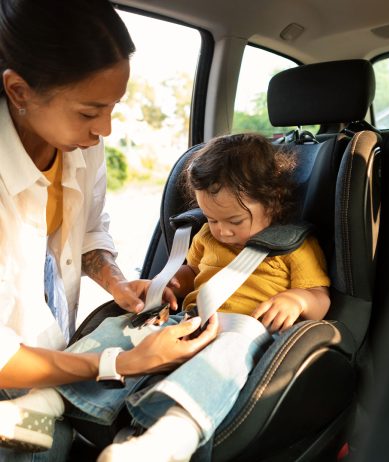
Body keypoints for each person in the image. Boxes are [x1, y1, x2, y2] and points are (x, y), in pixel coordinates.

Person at [1, 133, 332, 461]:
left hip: (247, 332)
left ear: (273, 201)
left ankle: (168, 440)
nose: (222, 231)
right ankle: (43, 405)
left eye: (234, 220)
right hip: (190, 322)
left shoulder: (293, 246)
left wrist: (298, 301)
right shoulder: (208, 236)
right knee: (122, 327)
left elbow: (320, 295)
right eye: (212, 219)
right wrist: (172, 282)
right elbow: (193, 272)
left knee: (229, 355)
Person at [0, 0, 218, 460]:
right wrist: (120, 363)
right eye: (89, 111)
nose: (106, 128)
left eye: (113, 107)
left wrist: (117, 284)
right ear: (19, 90)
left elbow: (89, 234)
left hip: (45, 354)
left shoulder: (81, 146)